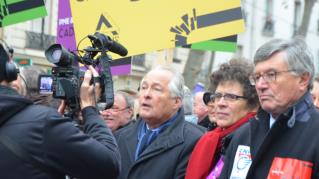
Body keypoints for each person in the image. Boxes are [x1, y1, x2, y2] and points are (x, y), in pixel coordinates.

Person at [0, 43, 120, 178]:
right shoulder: (42, 125)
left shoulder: (42, 123)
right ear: (9, 73)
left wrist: (56, 125)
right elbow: (110, 165)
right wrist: (90, 108)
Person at [220, 39, 319, 179]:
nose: (260, 85)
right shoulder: (243, 135)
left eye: (271, 75)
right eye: (257, 77)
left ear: (303, 80)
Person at [115, 65, 205, 179]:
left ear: (176, 101)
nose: (146, 94)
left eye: (156, 89)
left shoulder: (195, 142)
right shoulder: (120, 136)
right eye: (143, 87)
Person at [185, 58, 259, 179]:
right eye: (218, 96)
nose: (220, 103)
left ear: (253, 104)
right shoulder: (212, 138)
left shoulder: (253, 143)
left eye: (231, 97)